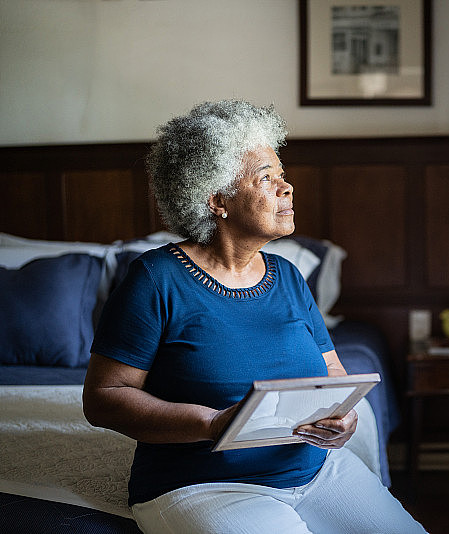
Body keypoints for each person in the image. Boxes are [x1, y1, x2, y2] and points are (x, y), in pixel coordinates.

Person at [83, 100, 427, 534]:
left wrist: (345, 419)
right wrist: (211, 424)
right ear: (217, 199)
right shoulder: (156, 278)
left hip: (317, 472)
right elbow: (104, 397)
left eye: (283, 176)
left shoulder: (287, 276)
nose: (287, 188)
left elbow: (332, 373)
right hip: (204, 485)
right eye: (267, 178)